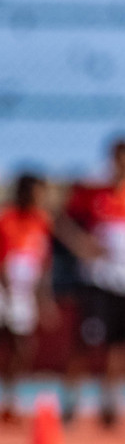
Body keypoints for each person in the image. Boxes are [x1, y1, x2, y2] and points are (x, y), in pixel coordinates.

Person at [55, 138, 125, 428]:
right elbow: (60, 219)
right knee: (87, 340)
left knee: (121, 344)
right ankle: (71, 399)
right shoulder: (93, 192)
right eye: (119, 158)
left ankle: (110, 401)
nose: (124, 165)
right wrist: (81, 245)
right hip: (98, 279)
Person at [0, 173, 59, 423]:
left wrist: (44, 300)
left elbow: (44, 265)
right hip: (4, 289)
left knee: (23, 348)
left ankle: (11, 399)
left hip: (24, 293)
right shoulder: (5, 219)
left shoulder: (43, 222)